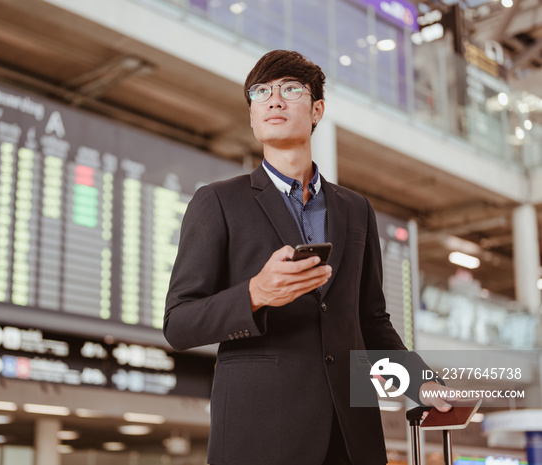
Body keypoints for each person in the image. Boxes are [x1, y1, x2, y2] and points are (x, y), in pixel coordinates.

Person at [164, 50, 451, 465]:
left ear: (317, 109)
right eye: (261, 92)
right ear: (251, 115)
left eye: (290, 90)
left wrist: (424, 384)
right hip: (260, 435)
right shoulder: (218, 202)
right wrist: (255, 294)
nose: (274, 100)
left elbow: (369, 321)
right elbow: (179, 323)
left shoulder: (355, 209)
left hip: (351, 436)